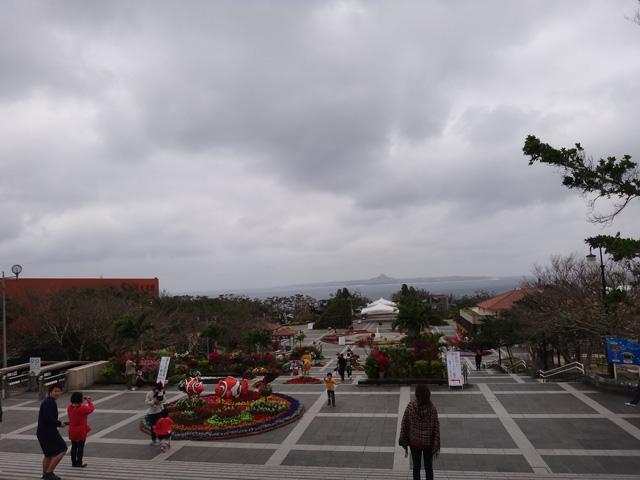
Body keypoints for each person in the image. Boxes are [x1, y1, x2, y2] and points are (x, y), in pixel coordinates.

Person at [398, 384, 440, 480]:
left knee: (416, 467)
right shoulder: (432, 409)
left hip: (414, 442)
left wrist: (404, 437)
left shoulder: (411, 406)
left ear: (416, 394)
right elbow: (436, 428)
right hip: (428, 444)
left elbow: (405, 423)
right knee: (428, 467)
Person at [37, 385, 68, 480]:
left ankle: (45, 474)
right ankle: (49, 472)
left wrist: (58, 423)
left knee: (49, 454)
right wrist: (59, 423)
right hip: (49, 432)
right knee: (62, 449)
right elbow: (48, 418)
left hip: (42, 432)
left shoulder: (48, 401)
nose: (57, 393)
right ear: (50, 392)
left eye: (59, 391)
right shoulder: (49, 402)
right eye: (55, 391)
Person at [67, 392, 94, 468]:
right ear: (80, 399)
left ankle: (73, 462)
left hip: (72, 430)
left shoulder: (69, 407)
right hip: (81, 431)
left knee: (74, 447)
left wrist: (82, 399)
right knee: (80, 447)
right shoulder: (83, 408)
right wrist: (88, 400)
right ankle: (79, 462)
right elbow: (91, 409)